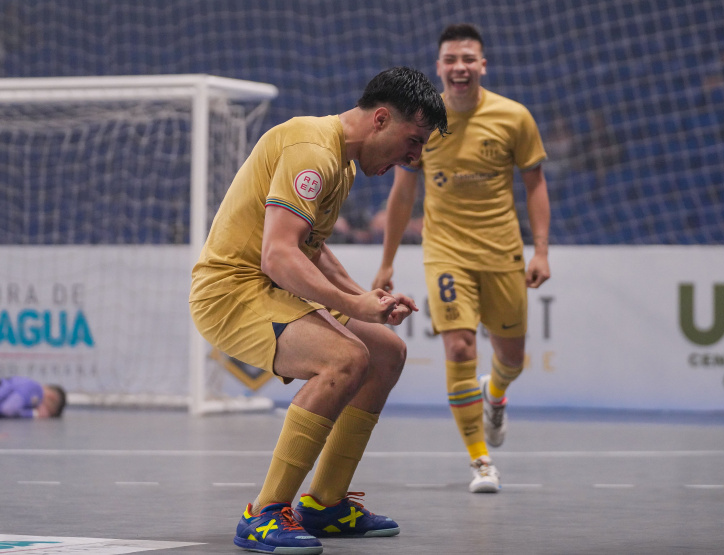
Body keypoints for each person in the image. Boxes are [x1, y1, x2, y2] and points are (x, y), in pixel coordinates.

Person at [189, 66, 448, 554]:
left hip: (270, 288)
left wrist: (369, 304)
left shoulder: (342, 161)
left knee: (386, 351)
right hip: (230, 292)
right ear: (380, 119)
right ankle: (264, 513)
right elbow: (279, 254)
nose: (414, 157)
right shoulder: (312, 148)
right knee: (344, 358)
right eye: (413, 141)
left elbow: (311, 247)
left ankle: (326, 504)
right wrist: (352, 304)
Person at [372, 23, 551, 494]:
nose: (459, 67)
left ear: (482, 66)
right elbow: (402, 192)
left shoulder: (514, 118)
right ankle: (481, 462)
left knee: (512, 358)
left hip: (502, 252)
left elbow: (535, 184)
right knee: (459, 349)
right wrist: (388, 261)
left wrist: (541, 251)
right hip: (446, 252)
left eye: (468, 59)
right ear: (439, 67)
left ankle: (496, 393)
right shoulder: (423, 122)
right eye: (451, 59)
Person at [0, 377, 66, 418]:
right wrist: (34, 414)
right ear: (52, 398)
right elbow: (7, 409)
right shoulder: (36, 391)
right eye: (48, 411)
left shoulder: (28, 384)